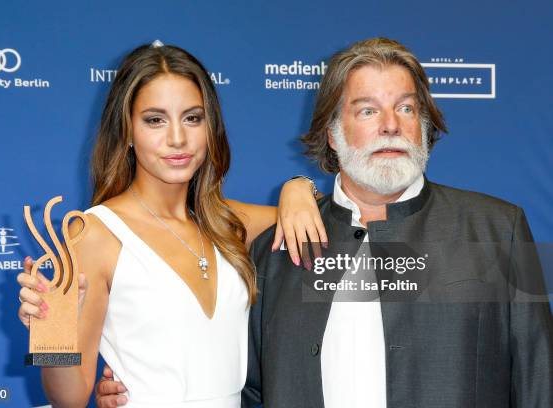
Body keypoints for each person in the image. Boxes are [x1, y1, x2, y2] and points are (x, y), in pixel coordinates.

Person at [99, 37, 553, 407]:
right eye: (367, 110)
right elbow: (243, 381)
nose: (391, 125)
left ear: (425, 125)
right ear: (333, 133)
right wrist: (132, 390)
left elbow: (538, 379)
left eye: (407, 108)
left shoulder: (498, 230)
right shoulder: (275, 250)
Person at [16, 42, 325, 408]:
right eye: (155, 119)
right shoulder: (94, 233)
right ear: (127, 130)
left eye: (193, 118)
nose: (177, 138)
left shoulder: (231, 222)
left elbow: (330, 215)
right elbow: (69, 398)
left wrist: (297, 187)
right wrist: (50, 333)